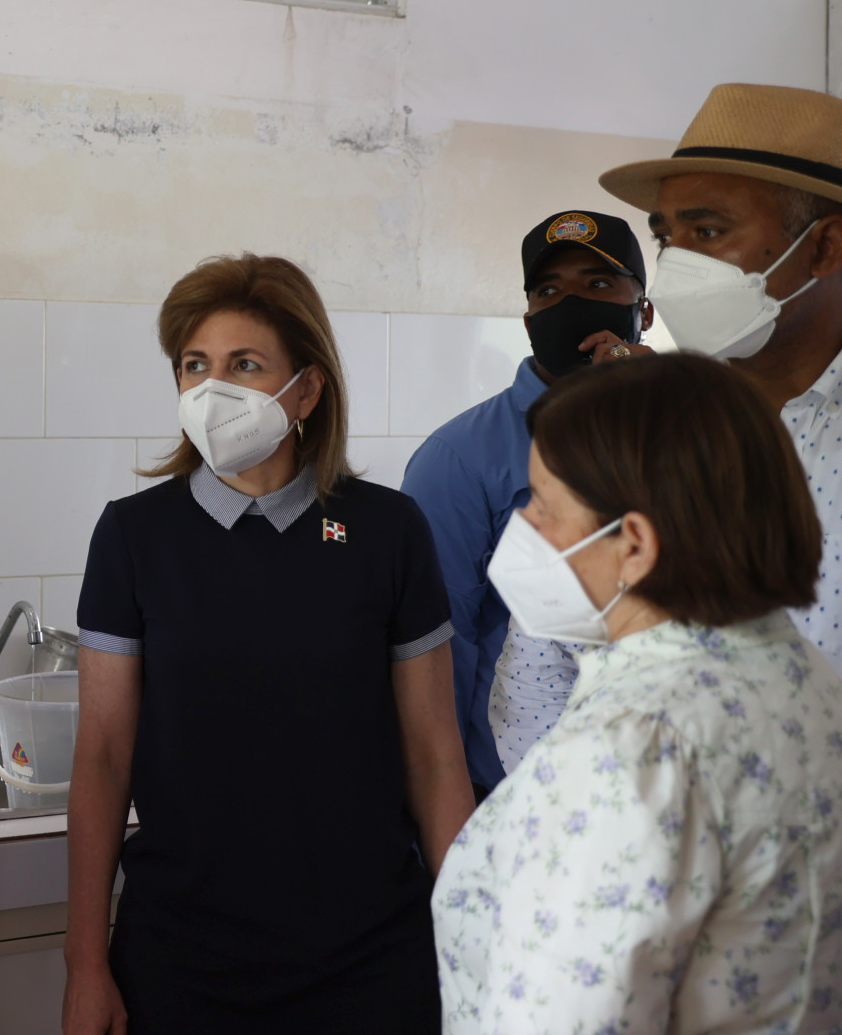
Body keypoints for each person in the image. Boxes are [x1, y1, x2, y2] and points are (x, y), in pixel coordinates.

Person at [63, 254, 475, 1035]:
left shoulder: (388, 531)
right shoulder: (135, 536)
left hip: (369, 959)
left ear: (307, 389)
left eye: (245, 364)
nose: (213, 388)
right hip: (181, 959)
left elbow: (434, 756)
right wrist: (84, 960)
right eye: (195, 365)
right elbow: (104, 757)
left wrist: (472, 942)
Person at [432, 352, 842, 1032]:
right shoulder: (803, 679)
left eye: (544, 505)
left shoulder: (631, 751)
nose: (525, 528)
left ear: (634, 545)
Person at [400, 210, 652, 793]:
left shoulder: (691, 430)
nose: (571, 304)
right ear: (529, 320)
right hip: (512, 790)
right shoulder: (458, 457)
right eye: (549, 291)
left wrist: (662, 408)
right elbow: (437, 657)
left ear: (644, 312)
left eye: (597, 283)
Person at [600, 82, 842, 672]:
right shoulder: (647, 427)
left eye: (706, 232)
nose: (674, 262)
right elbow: (548, 656)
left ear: (826, 248)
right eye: (665, 236)